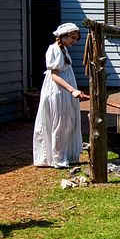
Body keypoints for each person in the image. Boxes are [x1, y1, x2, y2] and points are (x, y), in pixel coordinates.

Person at [33, 22, 87, 168]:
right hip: (57, 91)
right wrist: (72, 90)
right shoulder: (54, 49)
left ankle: (66, 154)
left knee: (68, 121)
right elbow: (54, 76)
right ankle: (57, 158)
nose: (74, 42)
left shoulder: (63, 49)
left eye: (75, 39)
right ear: (63, 36)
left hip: (65, 90)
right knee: (59, 123)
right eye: (72, 38)